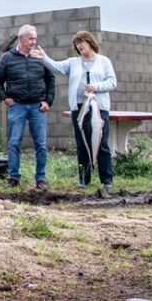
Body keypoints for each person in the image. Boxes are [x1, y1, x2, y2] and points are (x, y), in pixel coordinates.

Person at [33, 32, 117, 196]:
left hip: (99, 108)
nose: (79, 45)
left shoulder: (104, 61)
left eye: (82, 41)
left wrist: (96, 87)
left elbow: (112, 82)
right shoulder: (73, 62)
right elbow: (56, 67)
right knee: (82, 144)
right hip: (79, 108)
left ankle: (107, 180)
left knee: (102, 144)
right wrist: (44, 58)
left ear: (90, 42)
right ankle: (83, 180)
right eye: (77, 43)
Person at [0, 25, 55, 190]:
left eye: (35, 38)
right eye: (30, 39)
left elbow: (51, 80)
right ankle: (13, 178)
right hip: (17, 106)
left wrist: (48, 101)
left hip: (37, 107)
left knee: (41, 144)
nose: (34, 42)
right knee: (14, 143)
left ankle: (40, 179)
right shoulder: (7, 58)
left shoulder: (40, 57)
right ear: (21, 39)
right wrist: (5, 98)